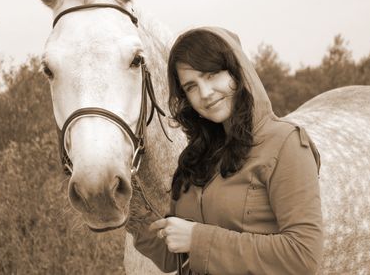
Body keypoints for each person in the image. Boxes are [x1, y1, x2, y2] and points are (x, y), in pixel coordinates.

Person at [128, 27, 323, 275]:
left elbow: (302, 256)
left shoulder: (286, 144)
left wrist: (197, 239)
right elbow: (173, 258)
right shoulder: (196, 158)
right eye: (191, 86)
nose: (205, 94)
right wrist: (131, 211)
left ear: (237, 71)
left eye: (211, 75)